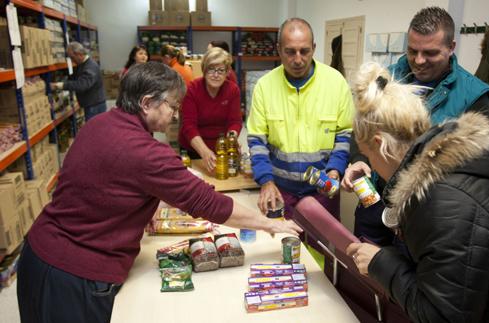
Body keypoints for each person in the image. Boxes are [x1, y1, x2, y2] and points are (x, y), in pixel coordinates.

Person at [17, 62, 301, 323]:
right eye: (172, 106)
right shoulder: (145, 152)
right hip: (73, 277)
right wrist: (270, 224)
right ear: (146, 103)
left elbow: (113, 184)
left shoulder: (100, 123)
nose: (175, 115)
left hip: (39, 255)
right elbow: (207, 202)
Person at [345, 62, 489, 322]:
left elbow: (443, 317)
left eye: (367, 155)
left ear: (380, 145)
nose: (371, 165)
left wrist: (381, 264)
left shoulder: (443, 201)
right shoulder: (448, 170)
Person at [344, 6, 489, 245]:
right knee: (362, 268)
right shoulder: (386, 77)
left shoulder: (474, 95)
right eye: (412, 51)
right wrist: (359, 159)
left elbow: (476, 168)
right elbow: (362, 128)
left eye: (430, 53)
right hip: (374, 201)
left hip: (427, 211)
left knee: (402, 275)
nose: (419, 61)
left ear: (451, 48)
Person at [247, 17, 353, 220]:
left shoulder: (336, 83)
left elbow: (344, 135)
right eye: (290, 51)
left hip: (322, 191)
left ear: (313, 48)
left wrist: (335, 171)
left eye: (304, 51)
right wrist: (266, 181)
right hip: (280, 191)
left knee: (318, 249)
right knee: (282, 247)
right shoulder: (264, 86)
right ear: (279, 50)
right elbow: (257, 141)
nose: (297, 59)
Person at [179, 47, 242, 172]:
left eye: (220, 70)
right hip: (194, 149)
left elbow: (235, 122)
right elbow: (189, 126)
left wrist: (231, 140)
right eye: (211, 69)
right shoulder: (192, 89)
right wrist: (205, 152)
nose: (216, 75)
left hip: (221, 148)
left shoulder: (233, 90)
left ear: (227, 72)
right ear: (204, 69)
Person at [50, 41, 106, 122]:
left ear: (79, 54)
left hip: (94, 106)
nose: (72, 61)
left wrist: (59, 85)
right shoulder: (83, 65)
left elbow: (81, 85)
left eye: (72, 57)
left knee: (94, 131)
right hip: (92, 105)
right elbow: (76, 77)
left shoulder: (90, 67)